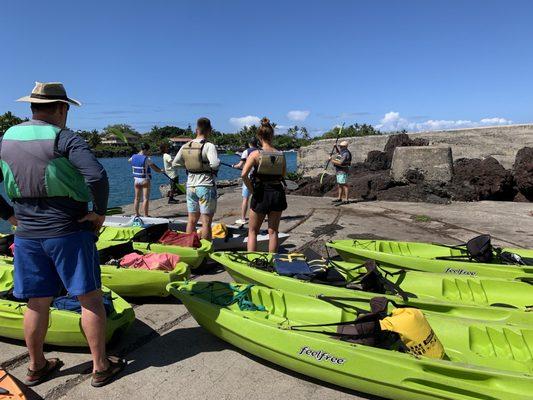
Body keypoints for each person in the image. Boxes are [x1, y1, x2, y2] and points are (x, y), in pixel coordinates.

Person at [0, 82, 124, 387]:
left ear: (32, 106)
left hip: (26, 234)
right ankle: (100, 366)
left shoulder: (6, 139)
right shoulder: (65, 138)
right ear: (61, 108)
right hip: (68, 229)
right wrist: (99, 211)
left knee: (36, 302)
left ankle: (36, 365)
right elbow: (96, 175)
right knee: (90, 299)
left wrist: (9, 215)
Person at [241, 118, 287, 253]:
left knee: (253, 231)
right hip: (277, 192)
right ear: (272, 136)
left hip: (261, 193)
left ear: (259, 136)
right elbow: (283, 175)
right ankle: (273, 261)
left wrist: (252, 190)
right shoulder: (281, 155)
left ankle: (252, 261)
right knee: (273, 232)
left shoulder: (256, 154)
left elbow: (244, 174)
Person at [173, 117, 220, 240]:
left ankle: (189, 246)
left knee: (191, 220)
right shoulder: (209, 146)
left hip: (190, 186)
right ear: (209, 130)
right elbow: (214, 164)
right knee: (206, 222)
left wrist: (188, 166)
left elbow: (175, 163)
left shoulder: (186, 145)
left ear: (196, 129)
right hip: (205, 185)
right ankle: (205, 250)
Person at [129, 143, 162, 216]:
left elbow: (130, 160)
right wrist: (161, 171)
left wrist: (137, 156)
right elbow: (156, 169)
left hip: (136, 180)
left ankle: (137, 214)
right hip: (145, 180)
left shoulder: (133, 157)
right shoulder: (146, 159)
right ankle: (146, 215)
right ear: (145, 150)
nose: (149, 152)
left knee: (137, 198)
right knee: (145, 198)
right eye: (148, 151)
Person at [232, 137, 260, 225]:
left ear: (249, 143)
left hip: (248, 177)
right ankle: (261, 216)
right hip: (259, 178)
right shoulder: (260, 151)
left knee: (245, 199)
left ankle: (243, 219)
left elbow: (240, 165)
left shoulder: (246, 151)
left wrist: (233, 166)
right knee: (259, 197)